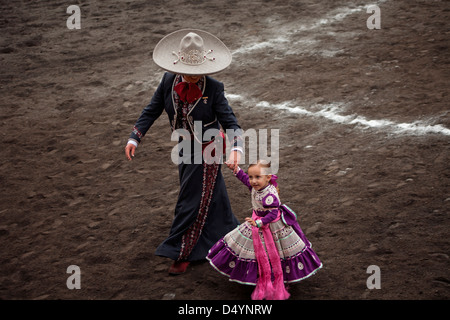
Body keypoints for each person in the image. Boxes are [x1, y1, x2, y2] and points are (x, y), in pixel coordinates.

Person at [124, 29, 243, 275]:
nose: (192, 77)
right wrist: (135, 136)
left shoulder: (215, 88)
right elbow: (152, 109)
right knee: (210, 193)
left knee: (191, 198)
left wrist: (236, 149)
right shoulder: (168, 81)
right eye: (188, 72)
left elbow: (231, 122)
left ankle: (183, 251)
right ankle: (230, 233)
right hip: (183, 147)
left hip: (208, 148)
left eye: (197, 73)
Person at [206, 160, 323, 300]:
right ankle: (261, 275)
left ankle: (273, 277)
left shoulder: (269, 196)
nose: (253, 181)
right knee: (263, 252)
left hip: (270, 226)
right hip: (257, 222)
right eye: (251, 177)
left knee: (273, 252)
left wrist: (259, 222)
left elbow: (273, 214)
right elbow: (244, 179)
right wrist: (236, 170)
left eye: (257, 177)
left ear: (268, 177)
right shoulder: (258, 187)